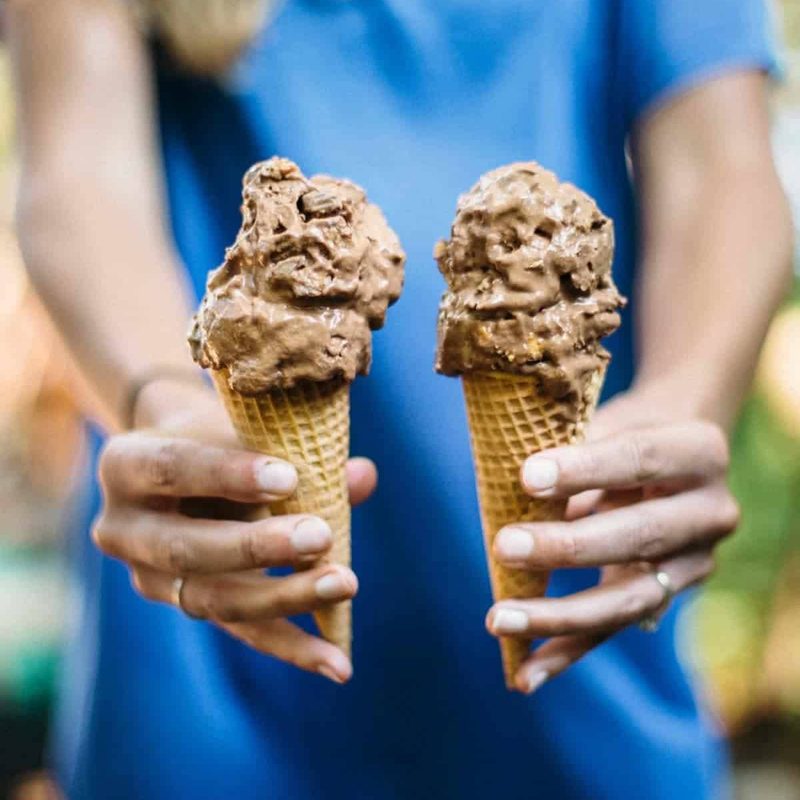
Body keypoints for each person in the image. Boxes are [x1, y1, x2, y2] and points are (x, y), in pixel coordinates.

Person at [7, 0, 793, 797]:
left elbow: (722, 160)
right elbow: (77, 166)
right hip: (214, 643)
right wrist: (160, 400)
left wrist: (689, 398)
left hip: (590, 594)